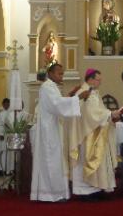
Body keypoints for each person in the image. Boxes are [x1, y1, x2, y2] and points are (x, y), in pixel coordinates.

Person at [31, 63, 89, 202]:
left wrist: (71, 96)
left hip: (53, 127)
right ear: (50, 74)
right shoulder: (47, 87)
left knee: (55, 160)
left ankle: (55, 193)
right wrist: (78, 97)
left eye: (62, 73)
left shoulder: (52, 87)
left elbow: (58, 103)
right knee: (51, 160)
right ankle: (52, 194)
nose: (61, 76)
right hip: (49, 130)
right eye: (59, 73)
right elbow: (57, 105)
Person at [68, 69, 117, 199]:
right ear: (90, 78)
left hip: (95, 131)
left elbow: (98, 110)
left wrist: (109, 115)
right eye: (98, 80)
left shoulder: (92, 92)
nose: (99, 82)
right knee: (88, 160)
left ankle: (94, 188)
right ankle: (86, 191)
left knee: (95, 160)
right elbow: (90, 113)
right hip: (87, 134)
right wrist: (109, 114)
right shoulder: (84, 92)